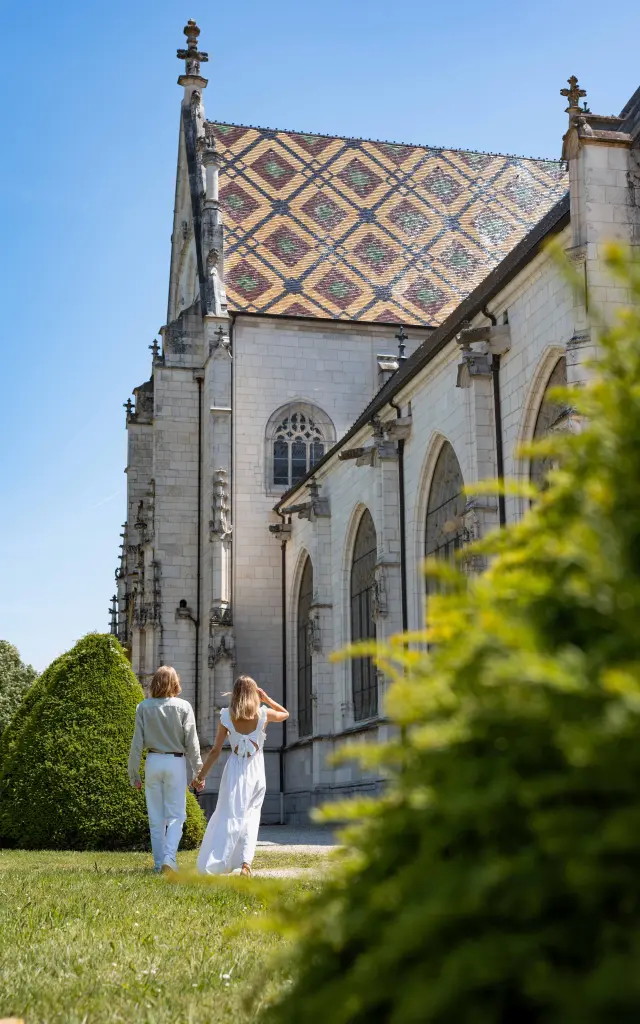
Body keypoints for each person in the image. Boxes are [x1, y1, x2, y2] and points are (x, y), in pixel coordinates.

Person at [193, 675, 288, 876]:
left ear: (235, 693)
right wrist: (267, 699)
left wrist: (201, 776)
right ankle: (245, 863)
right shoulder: (263, 714)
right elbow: (285, 714)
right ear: (254, 693)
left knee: (230, 814)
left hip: (235, 769)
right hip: (256, 770)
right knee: (252, 816)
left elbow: (215, 751)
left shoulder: (227, 716)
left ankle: (220, 861)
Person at [128, 665, 204, 873]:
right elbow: (192, 742)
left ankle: (158, 864)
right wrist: (198, 771)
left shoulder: (143, 707)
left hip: (153, 761)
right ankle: (169, 858)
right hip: (175, 762)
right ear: (175, 683)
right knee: (176, 815)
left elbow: (137, 743)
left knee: (156, 819)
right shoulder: (184, 707)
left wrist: (134, 774)